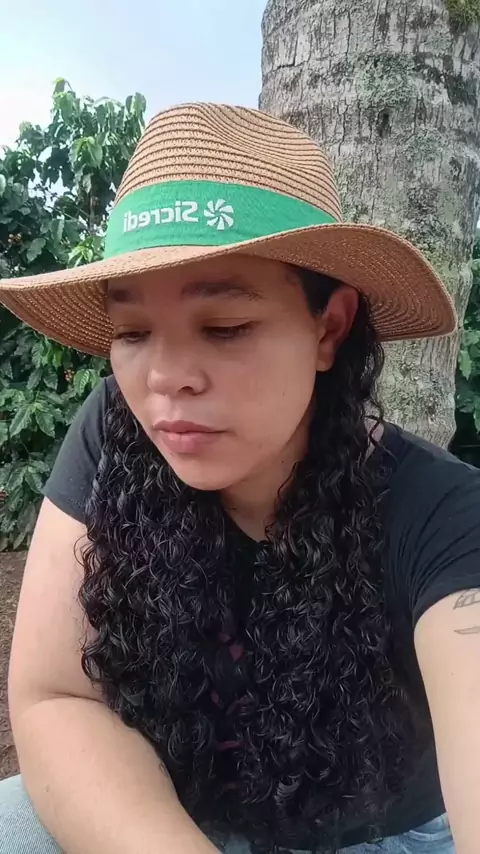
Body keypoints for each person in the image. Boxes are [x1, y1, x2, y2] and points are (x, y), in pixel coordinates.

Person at [0, 102, 477, 854]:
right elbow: (57, 695)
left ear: (329, 328)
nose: (165, 377)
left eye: (224, 327)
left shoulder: (442, 515)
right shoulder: (116, 433)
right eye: (132, 331)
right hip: (175, 813)